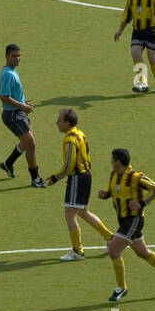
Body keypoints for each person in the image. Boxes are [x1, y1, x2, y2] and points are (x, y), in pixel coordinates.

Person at [98, 149, 155, 303]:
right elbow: (114, 190)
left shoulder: (136, 177)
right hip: (122, 219)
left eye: (112, 160)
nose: (111, 162)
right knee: (142, 252)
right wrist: (105, 194)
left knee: (113, 250)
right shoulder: (113, 175)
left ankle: (121, 287)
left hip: (133, 220)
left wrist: (141, 203)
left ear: (118, 162)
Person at [45, 109, 114, 261]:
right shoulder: (80, 133)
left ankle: (78, 251)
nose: (57, 123)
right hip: (86, 176)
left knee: (70, 214)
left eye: (60, 121)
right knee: (83, 212)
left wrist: (54, 178)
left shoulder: (70, 140)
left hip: (78, 177)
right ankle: (111, 238)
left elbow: (69, 164)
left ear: (68, 123)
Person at [0, 44, 46, 187]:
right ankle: (35, 177)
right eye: (14, 56)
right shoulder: (8, 74)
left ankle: (8, 163)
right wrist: (22, 106)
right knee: (31, 143)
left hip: (18, 112)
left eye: (19, 56)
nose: (17, 59)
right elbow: (4, 97)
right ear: (6, 56)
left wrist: (23, 102)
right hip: (12, 115)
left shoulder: (12, 70)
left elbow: (13, 93)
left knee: (27, 143)